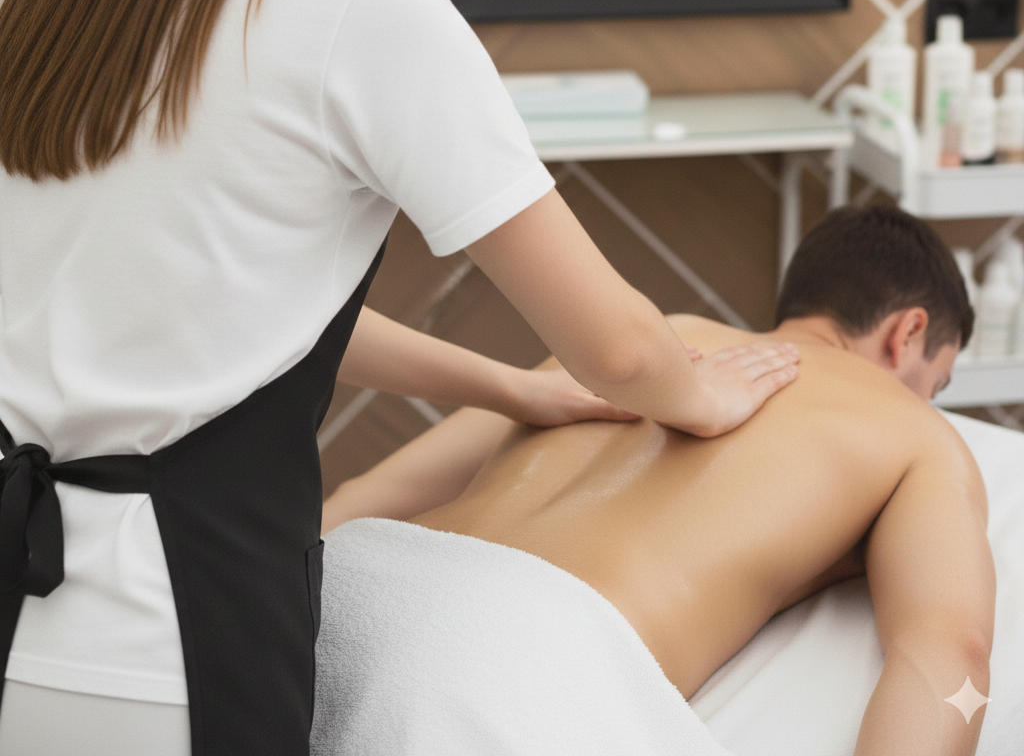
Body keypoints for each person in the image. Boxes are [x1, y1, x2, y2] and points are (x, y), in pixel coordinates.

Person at [0, 0, 799, 755]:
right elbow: (622, 347)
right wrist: (703, 389)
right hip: (176, 635)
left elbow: (241, 311)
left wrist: (508, 387)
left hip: (27, 619)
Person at [315, 205, 996, 756]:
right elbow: (948, 653)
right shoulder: (916, 433)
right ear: (908, 333)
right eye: (934, 383)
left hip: (342, 589)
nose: (927, 401)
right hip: (516, 662)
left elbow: (356, 501)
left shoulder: (645, 344)